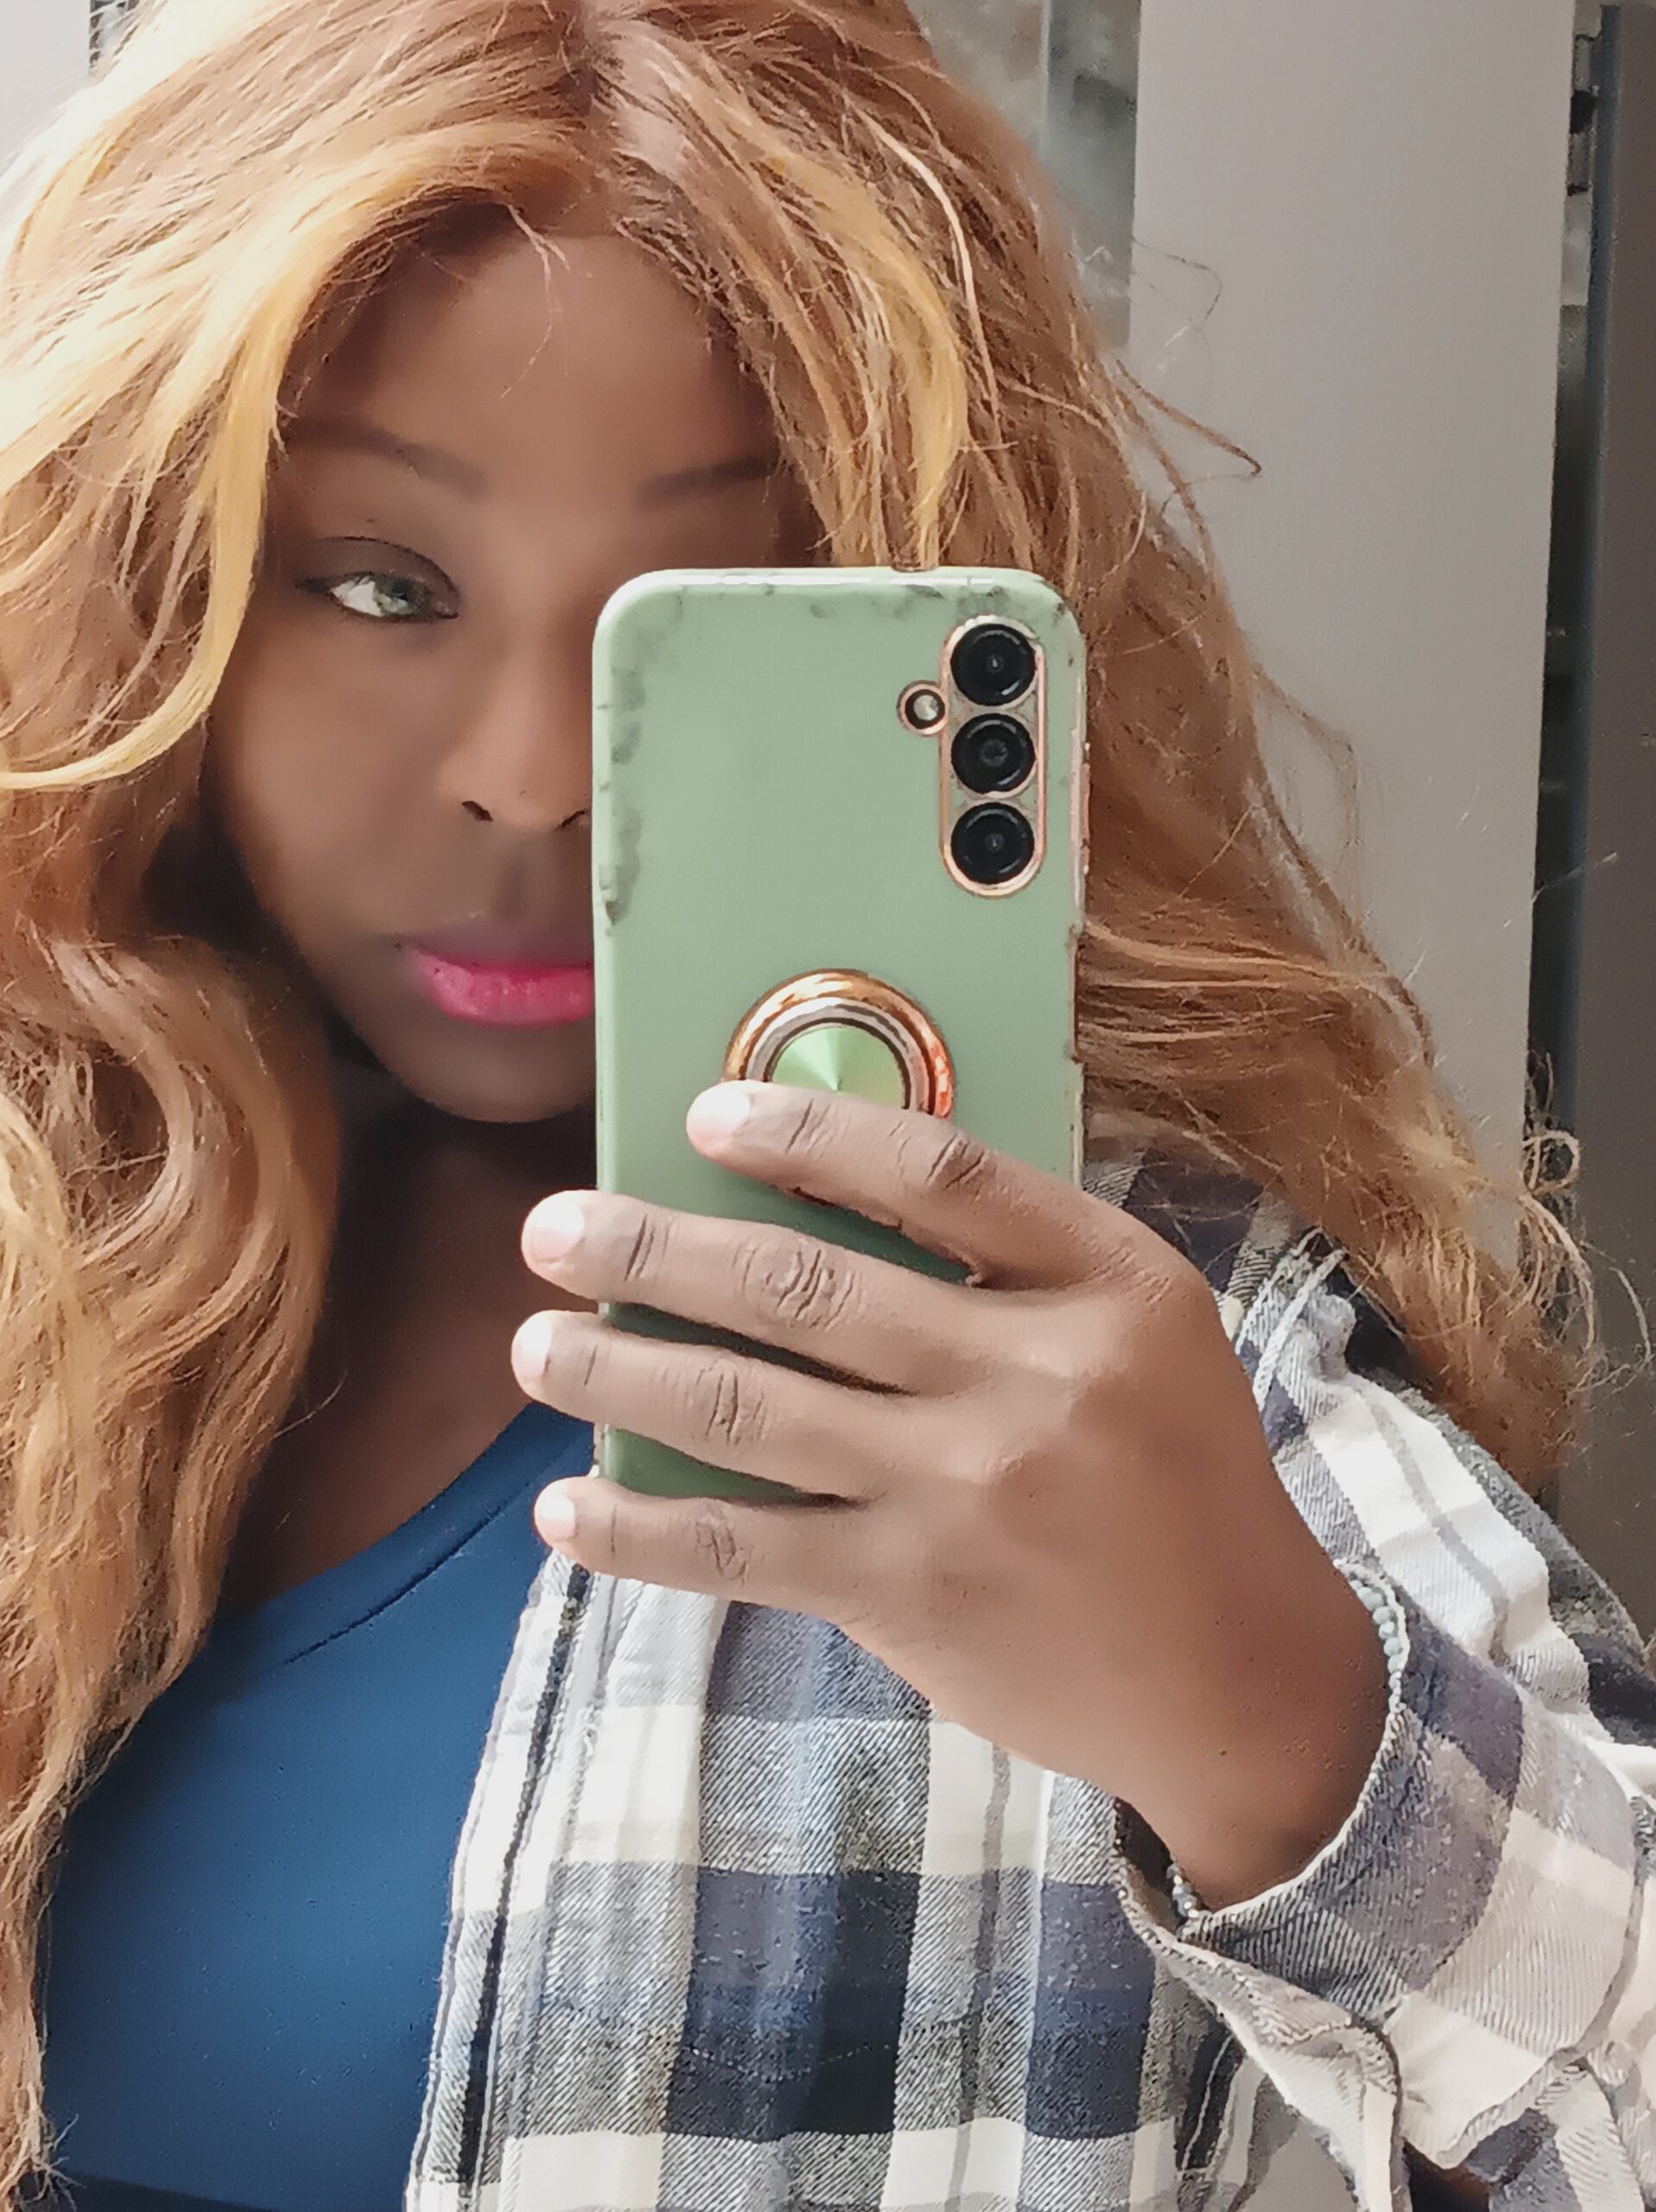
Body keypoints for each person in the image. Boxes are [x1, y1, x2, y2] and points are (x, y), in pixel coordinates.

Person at [0, 2, 1651, 2208]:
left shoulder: (1134, 1361)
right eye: (382, 584)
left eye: (696, 620)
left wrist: (1288, 1738)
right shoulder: (48, 1238)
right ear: (143, 591)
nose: (530, 771)